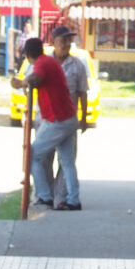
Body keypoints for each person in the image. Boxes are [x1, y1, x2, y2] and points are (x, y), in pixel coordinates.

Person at [11, 37, 82, 210]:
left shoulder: (42, 64)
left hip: (57, 119)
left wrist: (21, 82)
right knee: (67, 162)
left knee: (31, 155)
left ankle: (44, 195)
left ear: (27, 55)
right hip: (69, 117)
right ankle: (74, 200)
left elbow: (36, 77)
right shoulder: (50, 61)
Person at [49, 25, 89, 210]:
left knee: (67, 161)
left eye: (68, 40)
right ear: (53, 42)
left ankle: (65, 198)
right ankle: (46, 196)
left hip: (68, 121)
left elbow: (82, 93)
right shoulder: (44, 63)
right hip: (46, 121)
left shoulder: (78, 65)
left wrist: (83, 118)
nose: (66, 44)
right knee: (41, 159)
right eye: (62, 40)